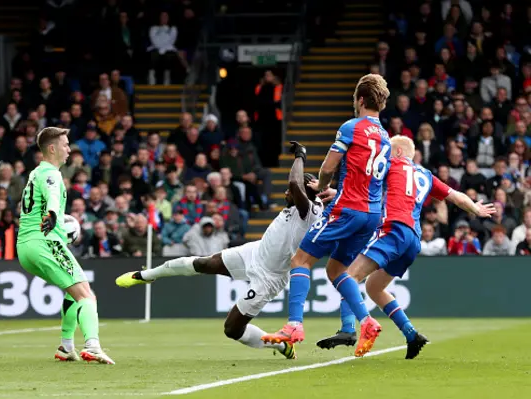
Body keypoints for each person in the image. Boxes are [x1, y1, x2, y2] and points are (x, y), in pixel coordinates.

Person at [116, 141, 323, 360]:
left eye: (291, 191)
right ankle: (145, 276)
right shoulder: (303, 203)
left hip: (269, 277)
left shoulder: (307, 212)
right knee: (201, 263)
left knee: (232, 329)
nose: (286, 192)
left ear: (304, 192)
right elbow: (298, 186)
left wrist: (300, 155)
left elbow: (294, 181)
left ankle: (281, 347)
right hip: (253, 252)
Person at [314, 136, 495, 359]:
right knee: (373, 288)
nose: (385, 154)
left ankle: (350, 328)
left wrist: (337, 193)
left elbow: (363, 188)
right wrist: (475, 209)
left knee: (347, 276)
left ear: (398, 152)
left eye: (389, 150)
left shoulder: (391, 164)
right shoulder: (425, 174)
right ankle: (411, 334)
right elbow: (456, 197)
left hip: (393, 230)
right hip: (412, 239)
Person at [262, 74, 391, 346]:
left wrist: (322, 186)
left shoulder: (351, 127)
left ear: (361, 100)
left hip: (348, 210)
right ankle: (367, 322)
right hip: (372, 214)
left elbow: (328, 167)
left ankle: (294, 326)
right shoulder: (386, 137)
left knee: (300, 261)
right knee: (336, 270)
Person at [16, 127, 114, 364]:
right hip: (45, 241)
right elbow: (51, 194)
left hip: (26, 246)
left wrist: (56, 217)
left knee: (73, 293)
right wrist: (52, 214)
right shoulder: (51, 173)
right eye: (65, 144)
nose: (69, 149)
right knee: (87, 296)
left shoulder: (35, 173)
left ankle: (66, 346)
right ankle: (92, 345)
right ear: (52, 148)